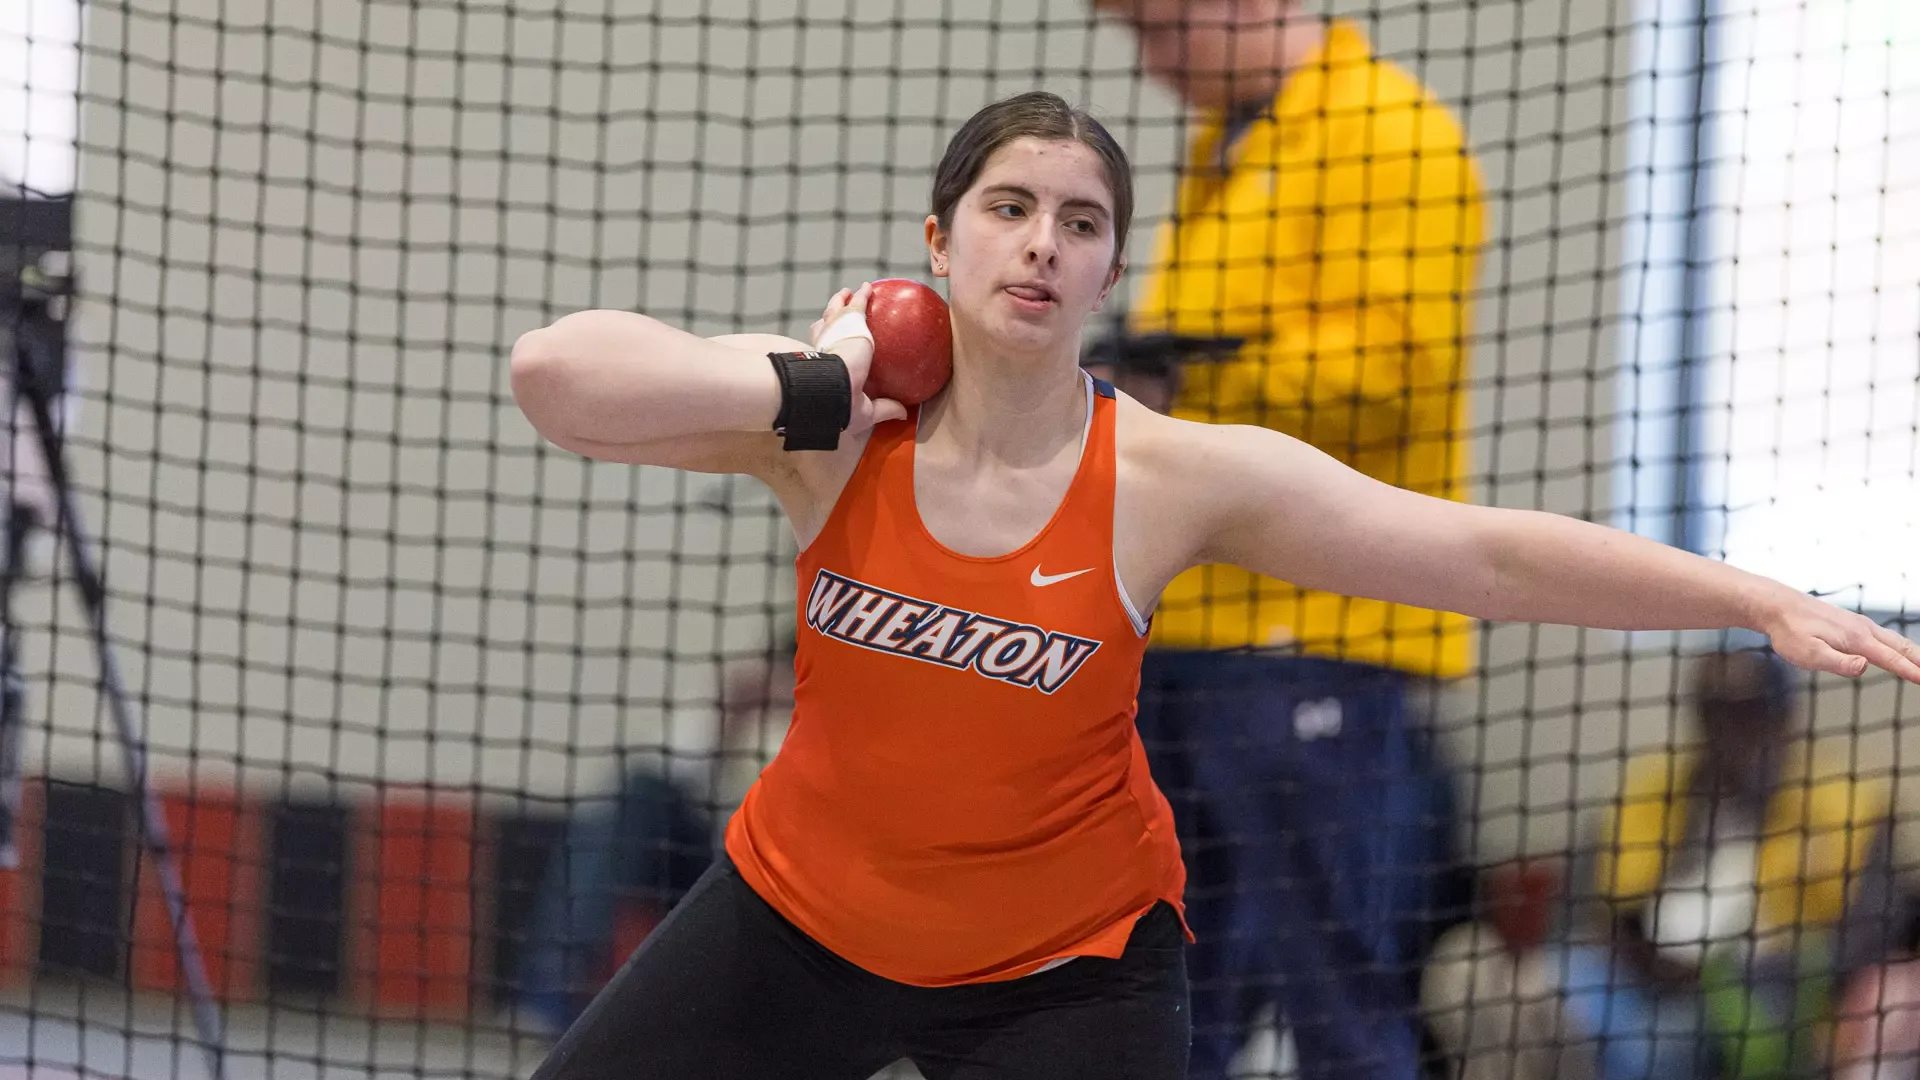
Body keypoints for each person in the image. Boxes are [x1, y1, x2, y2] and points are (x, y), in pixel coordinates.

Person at [507, 90, 1920, 1080]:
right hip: (798, 917)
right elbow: (558, 378)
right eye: (1009, 208)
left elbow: (1479, 552)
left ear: (1113, 265)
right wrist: (823, 378)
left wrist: (1750, 596)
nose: (1044, 243)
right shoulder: (829, 431)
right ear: (941, 243)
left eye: (1081, 220)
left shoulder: (1176, 475)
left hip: (1062, 970)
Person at [1089, 2, 1487, 1077]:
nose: (1157, 66)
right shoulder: (1229, 142)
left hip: (1317, 635)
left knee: (1337, 996)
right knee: (1174, 998)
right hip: (1193, 628)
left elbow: (1403, 362)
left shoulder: (1389, 130)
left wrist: (1194, 379)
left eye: (1166, 32)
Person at [1422, 647, 1911, 1080]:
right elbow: (1582, 904)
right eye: (1714, 713)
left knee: (1648, 1050)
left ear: (1782, 718)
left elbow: (1866, 937)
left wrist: (1729, 968)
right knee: (1521, 989)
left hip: (1746, 996)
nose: (1729, 732)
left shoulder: (1846, 803)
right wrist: (1635, 951)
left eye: (1747, 714)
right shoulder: (1656, 788)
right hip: (1631, 972)